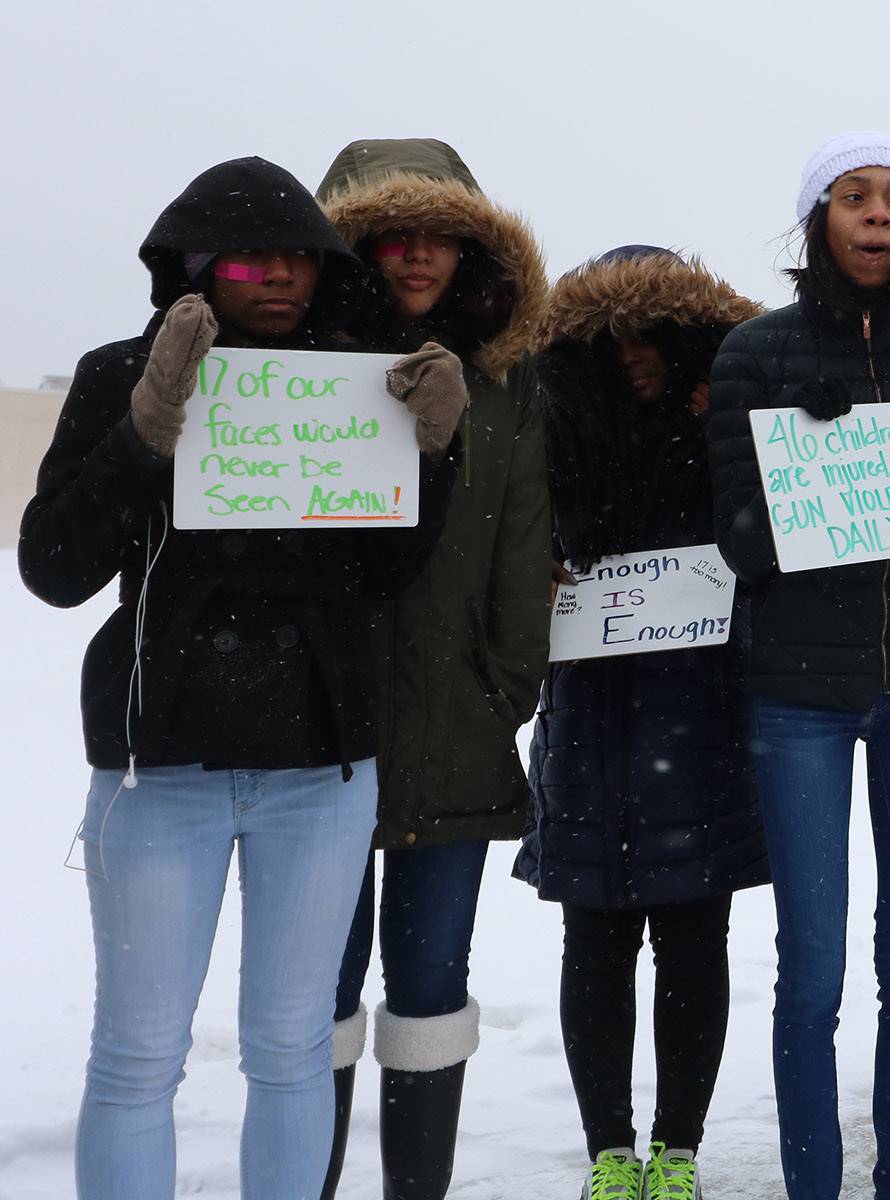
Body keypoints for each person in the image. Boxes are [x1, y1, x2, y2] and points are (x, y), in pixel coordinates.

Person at [17, 156, 463, 1200]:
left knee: (293, 1048)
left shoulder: (360, 382)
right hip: (158, 767)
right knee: (138, 1055)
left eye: (298, 257)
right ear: (193, 264)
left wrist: (432, 456)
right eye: (248, 256)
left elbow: (392, 572)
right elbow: (52, 567)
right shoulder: (116, 372)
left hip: (322, 773)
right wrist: (143, 428)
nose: (277, 276)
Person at [705, 131, 890, 1200]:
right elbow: (739, 540)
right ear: (817, 220)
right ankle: (814, 1188)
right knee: (814, 977)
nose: (878, 214)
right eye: (853, 197)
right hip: (802, 700)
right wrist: (813, 450)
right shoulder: (753, 351)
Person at [312, 138, 552, 1200]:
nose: (416, 259)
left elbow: (521, 551)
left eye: (440, 238)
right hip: (310, 738)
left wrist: (504, 687)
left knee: (432, 991)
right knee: (310, 996)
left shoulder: (507, 387)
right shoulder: (300, 378)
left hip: (456, 727)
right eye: (390, 236)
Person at [516, 244, 769, 1200]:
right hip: (589, 719)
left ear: (687, 335)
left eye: (649, 331)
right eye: (609, 335)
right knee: (597, 945)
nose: (630, 351)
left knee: (695, 945)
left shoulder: (728, 428)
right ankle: (609, 1154)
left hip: (703, 716)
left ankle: (678, 1150)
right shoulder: (550, 438)